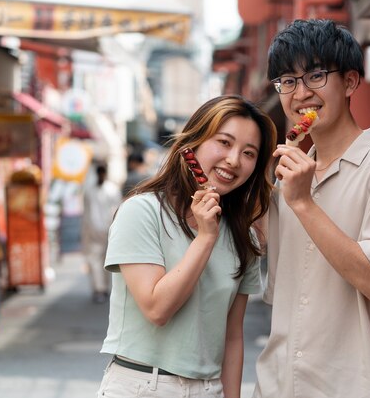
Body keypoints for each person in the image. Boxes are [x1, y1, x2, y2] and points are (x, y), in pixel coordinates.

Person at [253, 19, 370, 398]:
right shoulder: (287, 177)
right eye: (287, 81)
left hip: (359, 386)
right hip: (281, 385)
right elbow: (280, 288)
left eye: (315, 76)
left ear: (350, 82)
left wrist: (302, 202)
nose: (300, 94)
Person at [98, 95, 277, 398]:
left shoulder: (242, 234)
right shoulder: (141, 212)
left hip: (209, 389)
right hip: (141, 385)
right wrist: (206, 237)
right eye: (224, 142)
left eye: (248, 153)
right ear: (192, 145)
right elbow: (157, 309)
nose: (234, 160)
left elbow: (232, 337)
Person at [82, 163, 121, 303]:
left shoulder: (90, 190)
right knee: (104, 259)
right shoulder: (112, 189)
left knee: (96, 259)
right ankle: (102, 288)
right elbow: (117, 211)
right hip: (108, 229)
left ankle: (100, 288)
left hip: (95, 230)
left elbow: (86, 214)